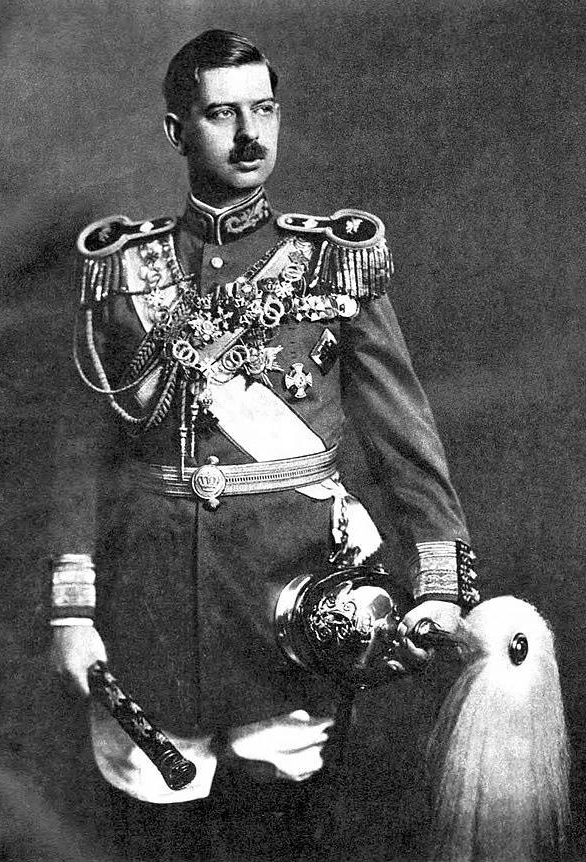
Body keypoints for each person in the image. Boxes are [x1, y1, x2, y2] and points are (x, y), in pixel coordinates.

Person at [49, 29, 480, 862]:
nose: (250, 135)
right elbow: (80, 456)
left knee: (281, 838)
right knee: (154, 838)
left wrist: (440, 580)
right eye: (222, 114)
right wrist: (73, 611)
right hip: (149, 613)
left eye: (265, 110)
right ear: (178, 131)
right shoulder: (124, 270)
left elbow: (403, 434)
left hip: (295, 601)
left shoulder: (330, 263)